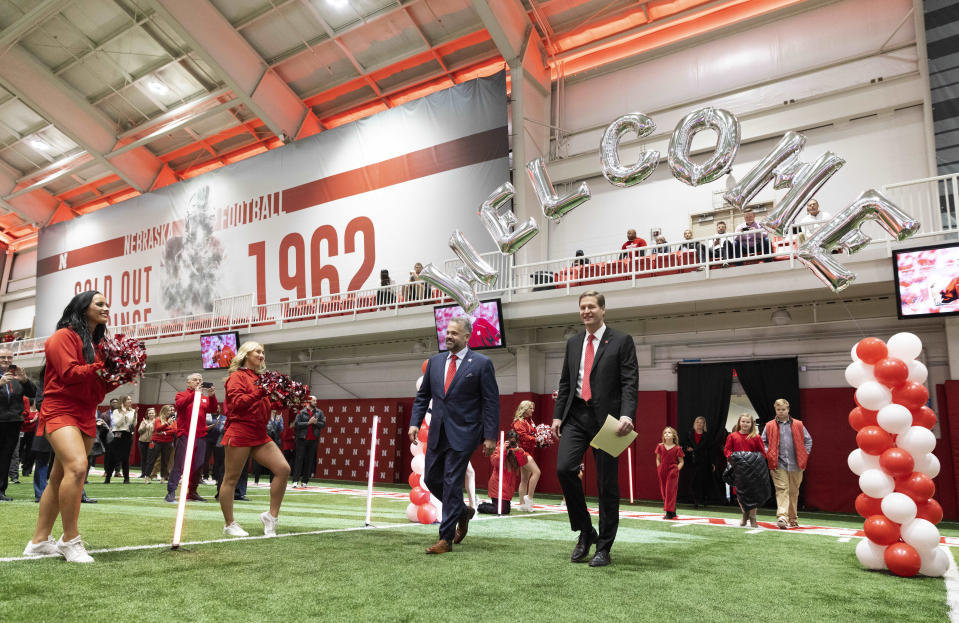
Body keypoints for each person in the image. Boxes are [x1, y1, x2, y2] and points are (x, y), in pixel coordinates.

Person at [24, 291, 123, 562]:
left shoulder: (99, 343)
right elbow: (69, 373)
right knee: (78, 467)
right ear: (82, 308)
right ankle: (70, 539)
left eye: (106, 304)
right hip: (59, 409)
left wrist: (118, 375)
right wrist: (102, 367)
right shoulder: (62, 337)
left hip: (86, 412)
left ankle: (39, 541)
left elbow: (97, 389)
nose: (106, 307)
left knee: (59, 477)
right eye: (99, 304)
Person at [552, 291, 638, 567]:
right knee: (564, 469)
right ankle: (586, 531)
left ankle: (604, 547)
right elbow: (566, 382)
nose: (586, 311)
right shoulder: (573, 343)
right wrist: (557, 417)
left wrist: (627, 414)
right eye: (582, 307)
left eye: (591, 306)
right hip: (576, 415)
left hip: (610, 421)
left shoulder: (622, 341)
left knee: (606, 485)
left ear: (603, 310)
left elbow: (629, 382)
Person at [409, 316, 499, 554]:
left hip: (466, 433)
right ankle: (462, 511)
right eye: (447, 332)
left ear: (467, 337)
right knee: (431, 479)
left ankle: (445, 539)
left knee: (451, 482)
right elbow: (423, 396)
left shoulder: (481, 363)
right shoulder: (435, 363)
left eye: (454, 333)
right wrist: (414, 423)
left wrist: (490, 436)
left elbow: (491, 402)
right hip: (438, 431)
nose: (448, 336)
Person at [220, 341, 291, 537]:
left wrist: (285, 399)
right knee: (231, 479)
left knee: (283, 469)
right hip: (240, 430)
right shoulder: (236, 376)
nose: (261, 355)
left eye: (263, 352)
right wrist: (262, 391)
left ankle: (271, 516)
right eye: (257, 351)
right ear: (246, 355)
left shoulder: (260, 378)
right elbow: (238, 403)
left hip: (260, 433)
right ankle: (229, 524)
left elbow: (264, 402)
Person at [165, 374, 218, 503]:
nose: (198, 382)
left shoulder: (204, 398)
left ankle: (192, 492)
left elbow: (212, 409)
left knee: (198, 465)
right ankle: (171, 493)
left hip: (201, 436)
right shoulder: (181, 395)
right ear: (188, 383)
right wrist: (195, 393)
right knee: (180, 465)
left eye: (200, 380)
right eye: (195, 380)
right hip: (185, 435)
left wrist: (212, 396)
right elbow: (180, 405)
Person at [761, 398, 812, 529]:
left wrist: (804, 455)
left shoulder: (798, 424)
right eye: (778, 410)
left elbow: (808, 440)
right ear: (775, 410)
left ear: (788, 409)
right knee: (782, 489)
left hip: (797, 464)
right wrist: (769, 454)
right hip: (778, 464)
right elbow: (763, 442)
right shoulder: (769, 425)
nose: (781, 412)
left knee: (794, 492)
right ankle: (782, 517)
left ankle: (793, 519)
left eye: (783, 409)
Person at [0, 347, 36, 500]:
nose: (6, 360)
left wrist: (25, 381)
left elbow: (33, 393)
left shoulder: (18, 377)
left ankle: (1, 490)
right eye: (3, 357)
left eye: (9, 357)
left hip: (13, 422)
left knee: (6, 456)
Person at [723, 413, 770, 528]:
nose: (745, 424)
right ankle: (744, 514)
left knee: (752, 494)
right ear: (739, 422)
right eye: (743, 421)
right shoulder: (732, 436)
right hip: (738, 470)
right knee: (740, 494)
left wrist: (751, 460)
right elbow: (727, 450)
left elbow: (762, 454)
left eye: (747, 422)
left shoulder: (756, 437)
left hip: (752, 472)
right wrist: (734, 458)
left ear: (751, 424)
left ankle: (753, 517)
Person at [479, 430, 528, 515]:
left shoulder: (516, 451)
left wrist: (518, 451)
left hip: (508, 488)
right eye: (510, 441)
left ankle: (485, 505)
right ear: (506, 440)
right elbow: (495, 462)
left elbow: (523, 462)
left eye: (514, 442)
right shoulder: (498, 448)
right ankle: (480, 506)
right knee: (501, 510)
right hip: (498, 485)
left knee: (505, 510)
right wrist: (504, 450)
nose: (511, 444)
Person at [511, 400, 541, 512]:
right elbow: (523, 436)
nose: (532, 410)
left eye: (533, 408)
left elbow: (533, 434)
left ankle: (523, 505)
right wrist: (536, 439)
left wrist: (541, 438)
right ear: (524, 409)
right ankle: (529, 498)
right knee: (537, 472)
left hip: (529, 451)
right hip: (522, 451)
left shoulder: (530, 421)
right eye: (530, 408)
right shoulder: (519, 422)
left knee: (524, 479)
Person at [292, 396, 325, 488]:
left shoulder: (319, 412)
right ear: (309, 401)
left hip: (313, 440)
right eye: (314, 400)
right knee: (299, 460)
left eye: (316, 400)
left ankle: (305, 481)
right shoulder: (301, 412)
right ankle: (295, 481)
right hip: (302, 439)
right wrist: (308, 423)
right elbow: (296, 424)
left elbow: (323, 424)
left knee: (309, 461)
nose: (316, 402)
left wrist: (315, 423)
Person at [684, 416, 715, 509]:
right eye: (697, 422)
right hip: (691, 461)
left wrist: (712, 463)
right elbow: (683, 444)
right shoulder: (689, 433)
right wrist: (687, 448)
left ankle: (704, 499)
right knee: (693, 482)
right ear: (695, 423)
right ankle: (695, 501)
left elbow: (710, 450)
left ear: (704, 424)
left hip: (704, 461)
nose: (699, 424)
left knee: (703, 481)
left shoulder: (707, 435)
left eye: (701, 423)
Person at [655, 427, 684, 519]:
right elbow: (658, 459)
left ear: (674, 436)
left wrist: (676, 470)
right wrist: (659, 468)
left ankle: (668, 512)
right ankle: (672, 510)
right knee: (664, 491)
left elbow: (681, 462)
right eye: (665, 433)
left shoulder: (677, 448)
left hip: (672, 471)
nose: (667, 434)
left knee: (670, 491)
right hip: (662, 471)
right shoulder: (660, 446)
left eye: (669, 432)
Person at [105, 395, 135, 484]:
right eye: (128, 399)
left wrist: (135, 416)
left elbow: (133, 424)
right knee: (113, 457)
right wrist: (123, 414)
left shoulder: (132, 411)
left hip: (128, 435)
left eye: (130, 399)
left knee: (125, 458)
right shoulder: (116, 412)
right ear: (123, 401)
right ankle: (108, 478)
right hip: (118, 434)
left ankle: (126, 478)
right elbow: (117, 424)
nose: (130, 400)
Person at [146, 405, 176, 483]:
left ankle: (163, 478)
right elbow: (157, 429)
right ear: (164, 411)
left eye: (172, 410)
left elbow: (175, 430)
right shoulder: (158, 419)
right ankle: (147, 477)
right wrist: (167, 424)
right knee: (152, 460)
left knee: (165, 461)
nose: (171, 412)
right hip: (156, 442)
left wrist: (165, 432)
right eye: (169, 410)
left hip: (168, 442)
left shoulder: (173, 420)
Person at [137, 408, 156, 478]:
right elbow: (139, 431)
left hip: (152, 442)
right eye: (149, 413)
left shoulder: (156, 421)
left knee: (150, 458)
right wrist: (145, 425)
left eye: (152, 413)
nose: (151, 414)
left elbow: (156, 430)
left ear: (155, 414)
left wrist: (150, 425)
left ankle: (149, 473)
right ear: (147, 414)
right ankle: (143, 473)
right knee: (143, 458)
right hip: (142, 441)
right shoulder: (144, 421)